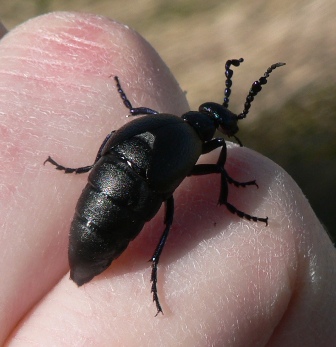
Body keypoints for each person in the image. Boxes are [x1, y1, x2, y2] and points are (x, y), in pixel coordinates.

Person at [1, 12, 335, 346]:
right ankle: (157, 261)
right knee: (172, 213)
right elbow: (214, 161)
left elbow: (125, 126)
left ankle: (103, 191)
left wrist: (96, 167)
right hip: (120, 192)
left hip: (110, 186)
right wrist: (228, 193)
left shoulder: (164, 121)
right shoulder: (194, 142)